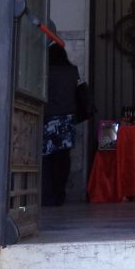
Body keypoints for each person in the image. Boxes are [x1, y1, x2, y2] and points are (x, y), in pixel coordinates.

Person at [41, 42, 80, 205]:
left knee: (47, 160)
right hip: (67, 120)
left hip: (49, 119)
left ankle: (47, 195)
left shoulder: (45, 72)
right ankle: (60, 194)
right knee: (63, 159)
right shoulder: (72, 71)